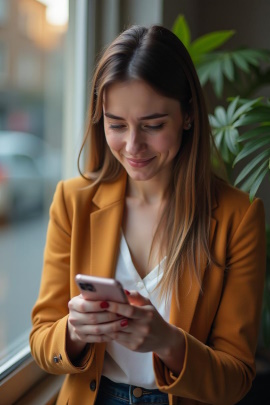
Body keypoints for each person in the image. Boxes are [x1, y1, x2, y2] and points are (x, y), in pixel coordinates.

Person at [29, 24, 266, 405]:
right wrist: (74, 331)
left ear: (188, 115)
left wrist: (168, 342)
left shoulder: (238, 217)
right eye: (116, 125)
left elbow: (236, 378)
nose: (133, 145)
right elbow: (42, 341)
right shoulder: (73, 202)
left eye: (153, 125)